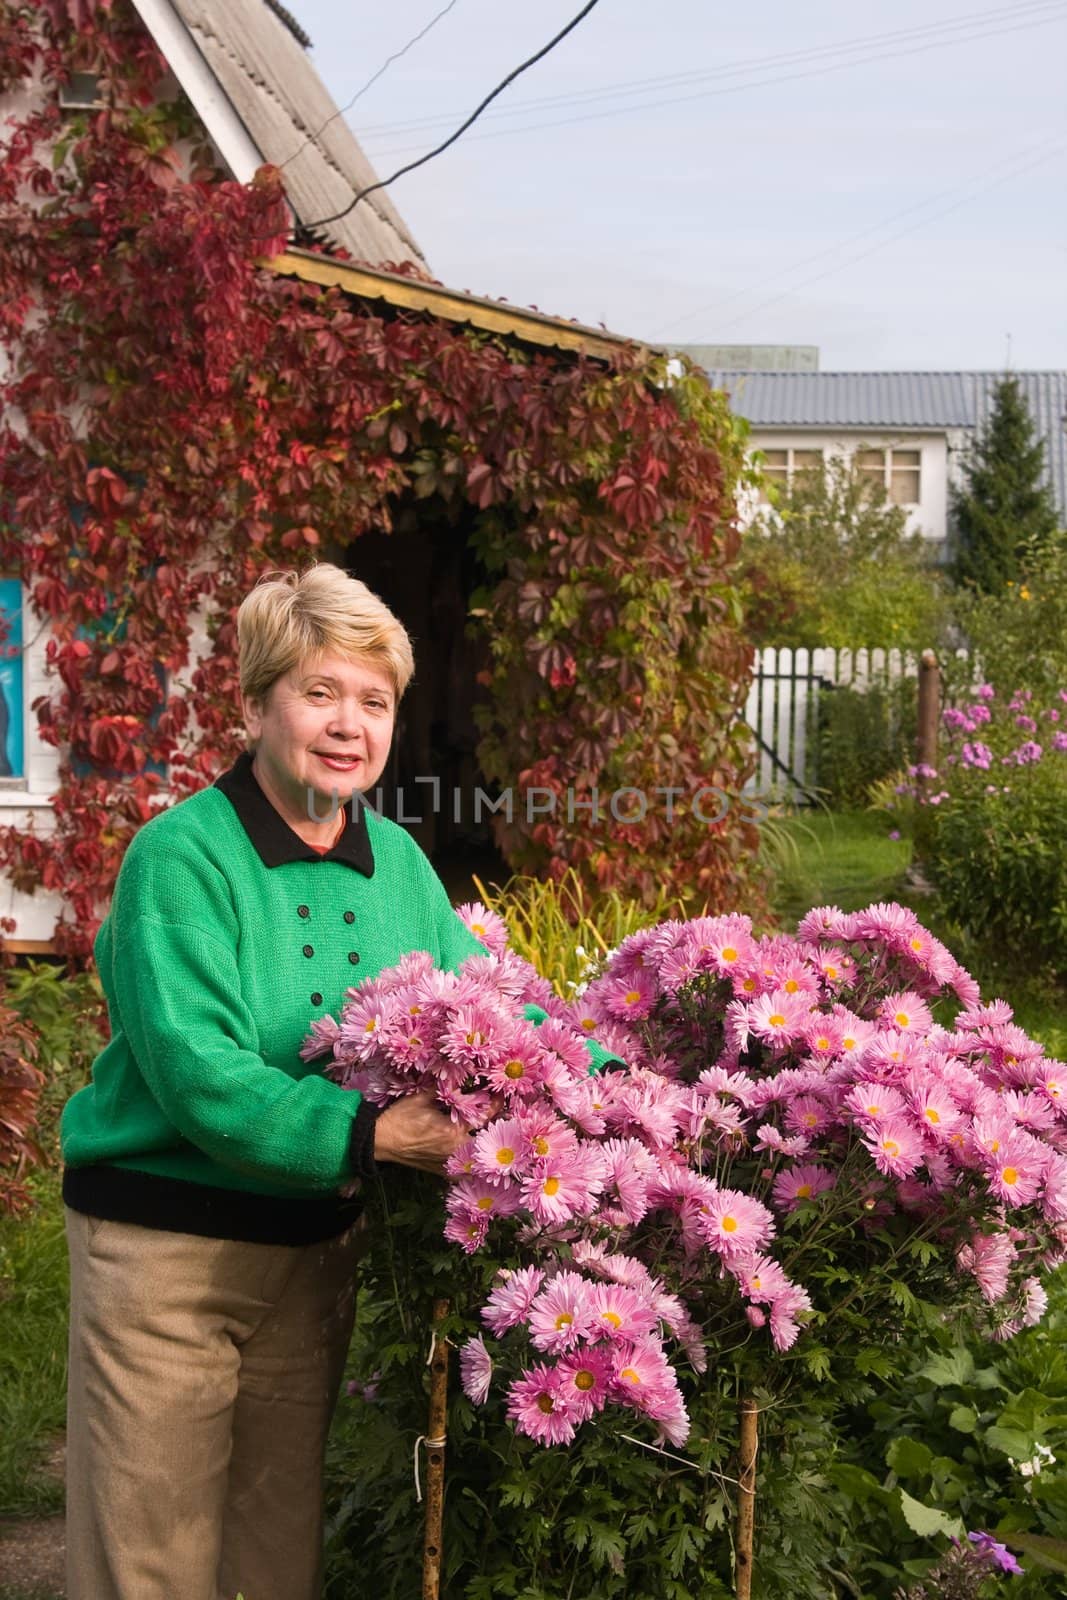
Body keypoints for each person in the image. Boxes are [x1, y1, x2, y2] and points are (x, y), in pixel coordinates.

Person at [60, 564, 498, 1600]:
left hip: (310, 1253)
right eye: (319, 692)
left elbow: (490, 1004)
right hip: (166, 1254)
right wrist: (378, 1137)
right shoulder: (181, 859)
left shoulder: (395, 861)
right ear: (256, 704)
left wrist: (607, 1082)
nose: (349, 723)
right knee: (150, 1553)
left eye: (373, 700)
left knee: (272, 1552)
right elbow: (196, 1073)